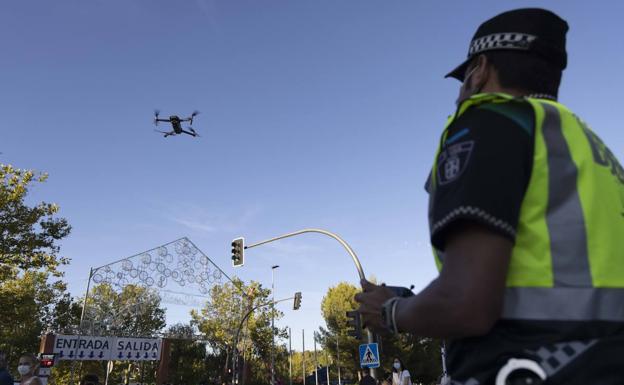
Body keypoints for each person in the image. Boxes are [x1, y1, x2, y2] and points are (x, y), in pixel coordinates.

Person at [354, 7, 624, 385]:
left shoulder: (489, 122)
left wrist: (390, 312)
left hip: (527, 366)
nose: (461, 94)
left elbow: (468, 305)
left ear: (479, 70)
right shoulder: (589, 148)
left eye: (463, 79)